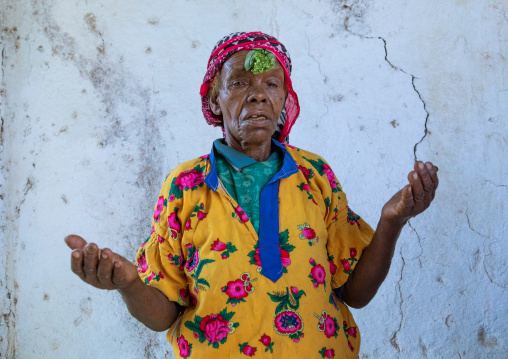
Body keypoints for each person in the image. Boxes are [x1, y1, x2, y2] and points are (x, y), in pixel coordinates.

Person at [65, 32, 439, 358]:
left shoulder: (315, 176)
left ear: (282, 103)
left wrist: (393, 221)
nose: (258, 95)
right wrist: (128, 284)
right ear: (214, 101)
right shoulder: (185, 186)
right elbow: (163, 315)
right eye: (240, 83)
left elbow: (356, 293)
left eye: (271, 85)